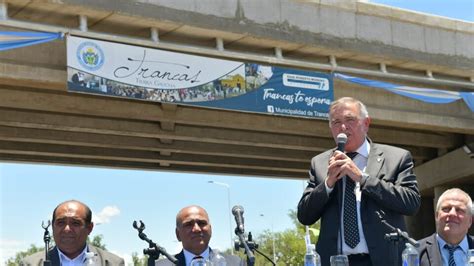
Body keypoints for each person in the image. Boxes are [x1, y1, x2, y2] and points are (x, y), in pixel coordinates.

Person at [297, 97, 421, 266]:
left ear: (366, 123)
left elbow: (411, 203)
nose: (343, 127)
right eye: (336, 122)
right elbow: (305, 216)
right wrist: (328, 183)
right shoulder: (319, 163)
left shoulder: (396, 158)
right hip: (336, 260)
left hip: (383, 260)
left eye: (350, 120)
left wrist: (363, 178)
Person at [21, 200, 124, 266]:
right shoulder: (30, 263)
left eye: (75, 223)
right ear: (52, 227)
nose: (67, 229)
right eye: (61, 223)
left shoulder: (112, 263)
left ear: (89, 228)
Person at [156, 205, 243, 266]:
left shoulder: (234, 263)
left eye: (202, 223)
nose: (197, 229)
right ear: (178, 234)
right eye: (189, 224)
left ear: (210, 230)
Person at [418, 188, 473, 266]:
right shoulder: (415, 251)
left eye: (459, 209)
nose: (452, 213)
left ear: (470, 221)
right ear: (437, 216)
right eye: (446, 209)